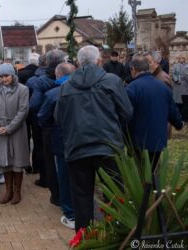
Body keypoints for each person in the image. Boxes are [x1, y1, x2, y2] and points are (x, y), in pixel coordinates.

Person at [54, 45, 133, 232]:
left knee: (81, 197)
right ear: (99, 61)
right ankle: (116, 234)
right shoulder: (112, 81)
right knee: (114, 194)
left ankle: (85, 238)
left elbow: (59, 118)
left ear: (78, 63)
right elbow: (127, 113)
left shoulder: (66, 86)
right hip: (108, 146)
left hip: (78, 147)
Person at [126, 55, 184, 170]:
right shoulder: (162, 87)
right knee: (153, 169)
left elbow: (126, 114)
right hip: (157, 139)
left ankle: (146, 187)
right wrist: (179, 124)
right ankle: (153, 187)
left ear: (133, 69)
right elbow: (172, 111)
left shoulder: (131, 88)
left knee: (139, 171)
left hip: (138, 139)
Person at [37, 62, 76, 229]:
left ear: (57, 75)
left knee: (64, 176)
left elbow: (42, 117)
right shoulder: (83, 90)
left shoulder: (53, 94)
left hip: (61, 141)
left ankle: (69, 212)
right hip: (81, 140)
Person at [0, 63, 30, 205]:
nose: (3, 79)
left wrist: (10, 128)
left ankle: (17, 191)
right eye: (1, 76)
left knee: (17, 162)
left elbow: (23, 111)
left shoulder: (23, 89)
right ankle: (8, 191)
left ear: (12, 75)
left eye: (6, 76)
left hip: (17, 130)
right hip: (0, 130)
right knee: (5, 161)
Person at [29, 49, 66, 205]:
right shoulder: (70, 77)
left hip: (49, 126)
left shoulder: (41, 81)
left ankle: (56, 195)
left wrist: (45, 115)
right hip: (67, 125)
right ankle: (66, 194)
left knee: (50, 161)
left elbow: (34, 105)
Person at [25, 54, 47, 174]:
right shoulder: (57, 77)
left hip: (34, 116)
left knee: (37, 143)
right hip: (50, 117)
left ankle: (35, 167)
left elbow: (31, 102)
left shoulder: (32, 80)